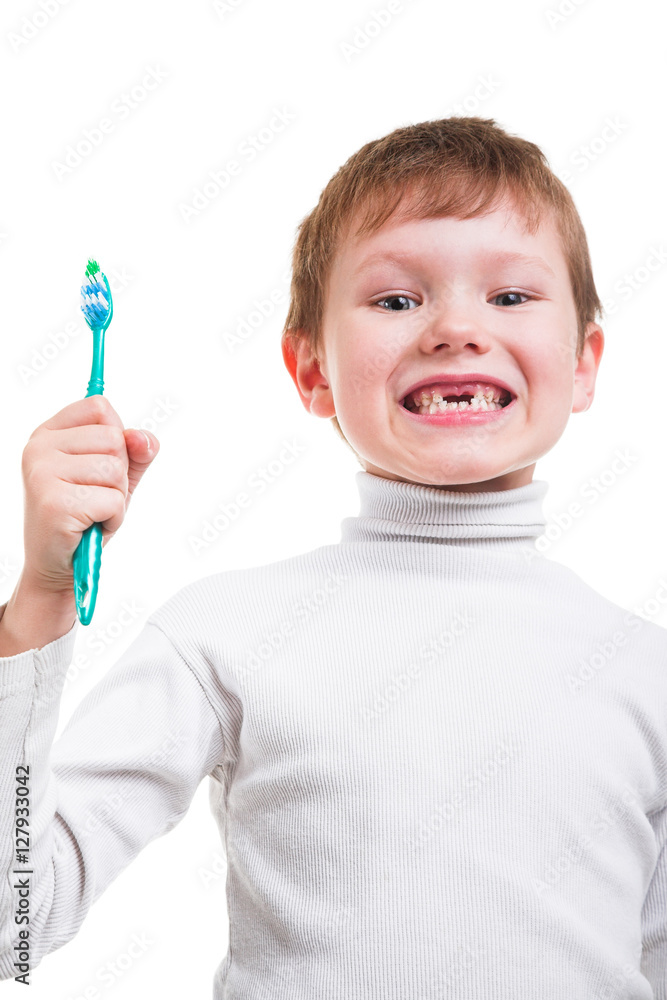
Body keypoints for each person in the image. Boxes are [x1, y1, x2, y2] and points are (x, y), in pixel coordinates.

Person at [1, 116, 666, 998]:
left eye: (510, 297)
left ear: (582, 364)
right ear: (311, 369)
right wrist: (40, 597)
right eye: (397, 300)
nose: (456, 327)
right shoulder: (221, 635)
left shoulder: (645, 674)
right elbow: (15, 924)